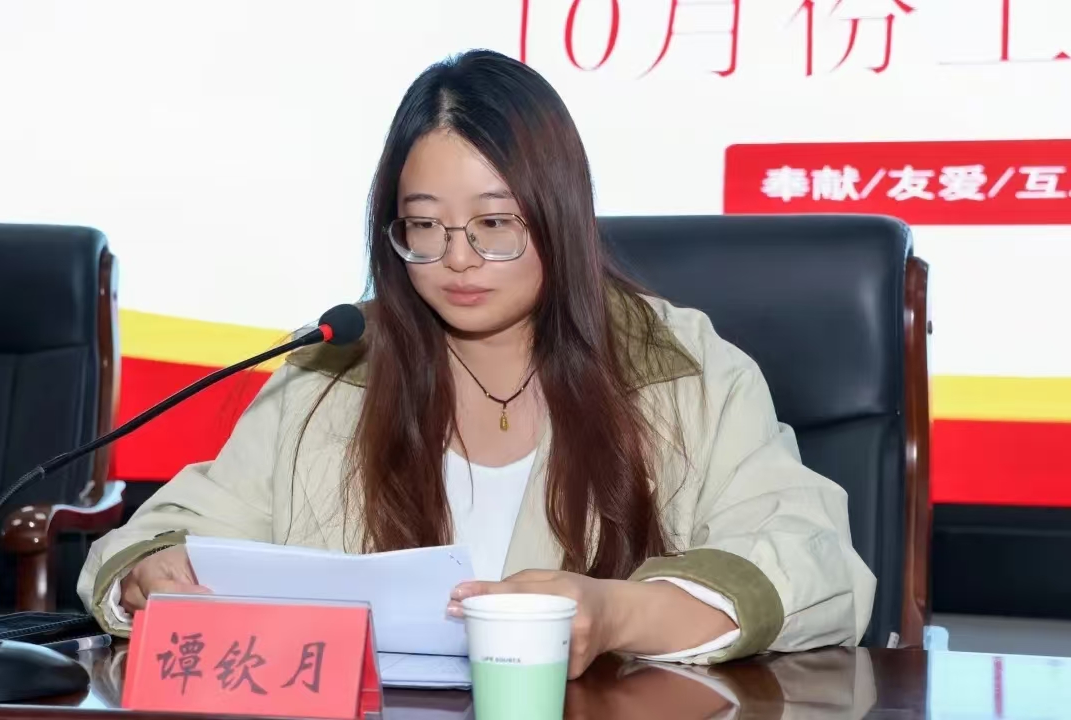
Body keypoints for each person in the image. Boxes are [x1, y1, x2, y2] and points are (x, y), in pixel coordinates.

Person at [78, 49, 875, 677]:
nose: (457, 259)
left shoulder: (676, 366)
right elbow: (165, 537)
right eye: (424, 227)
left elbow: (812, 561)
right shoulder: (336, 370)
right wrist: (153, 573)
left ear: (559, 216)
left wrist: (618, 614)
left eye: (494, 224)